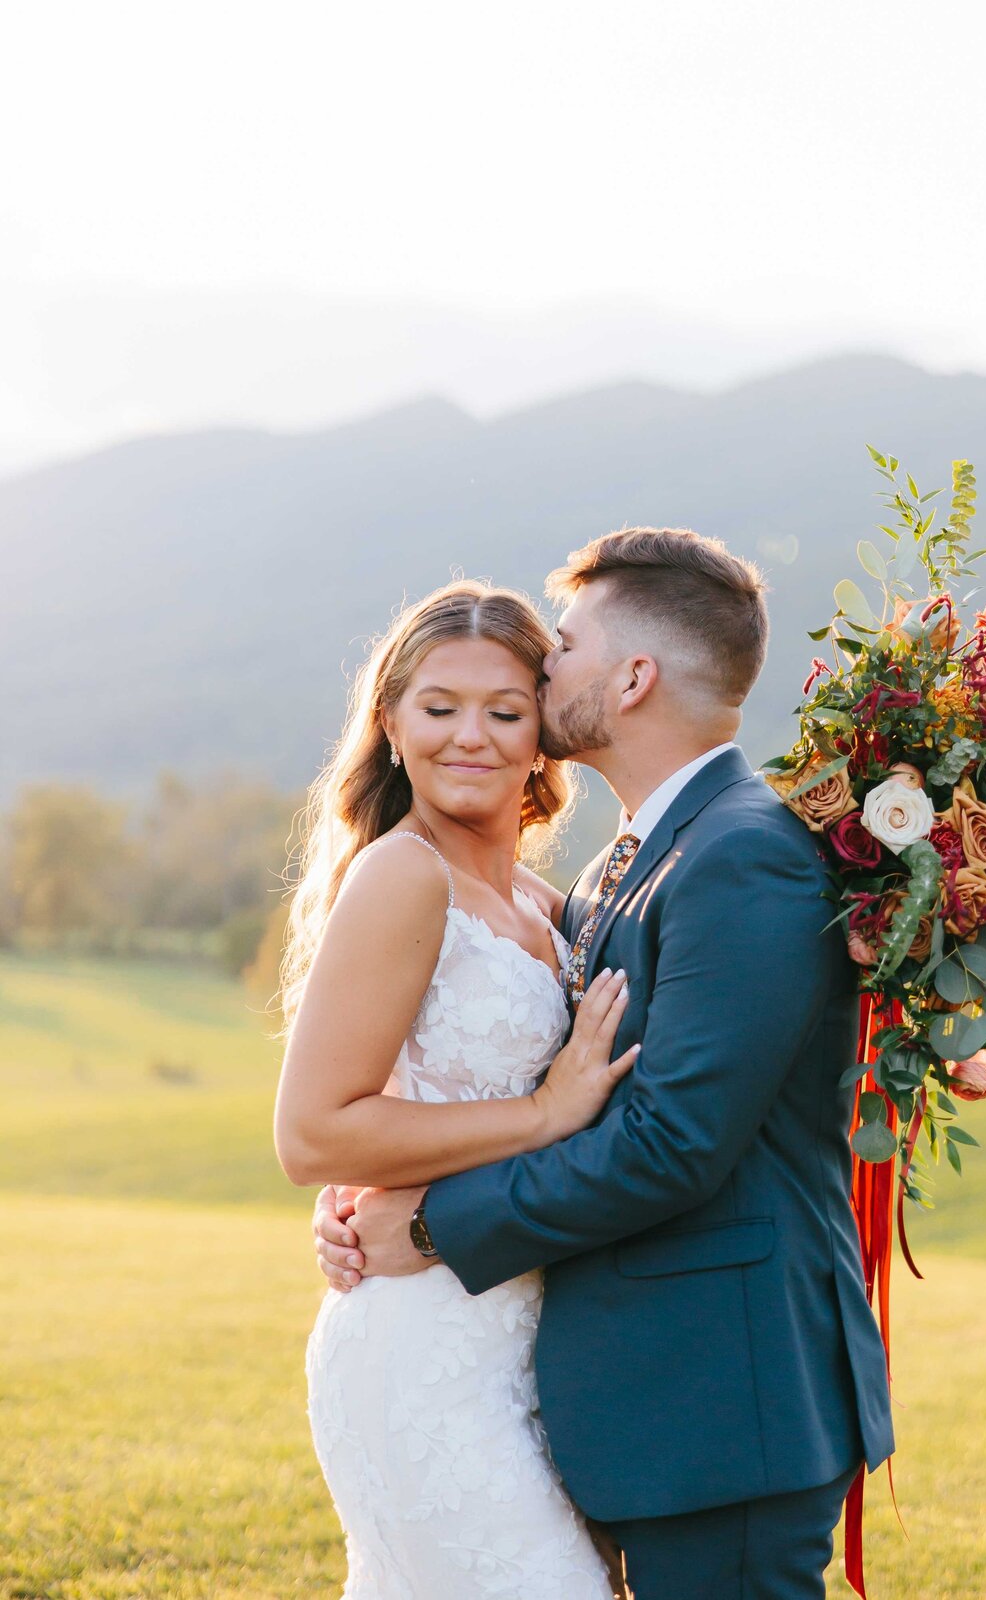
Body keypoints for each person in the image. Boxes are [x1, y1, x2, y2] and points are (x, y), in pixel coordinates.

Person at [313, 528, 894, 1600]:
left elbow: (672, 1143)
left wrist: (436, 1222)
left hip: (727, 1400)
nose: (544, 672)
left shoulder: (741, 853)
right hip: (630, 1396)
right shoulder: (627, 864)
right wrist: (377, 1191)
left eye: (563, 649)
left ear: (633, 678)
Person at [275, 579, 634, 1598]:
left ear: (542, 737)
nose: (468, 737)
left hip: (529, 1342)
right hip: (421, 1351)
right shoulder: (404, 876)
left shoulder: (547, 902)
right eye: (438, 708)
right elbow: (312, 1135)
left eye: (504, 711)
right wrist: (541, 1114)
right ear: (390, 725)